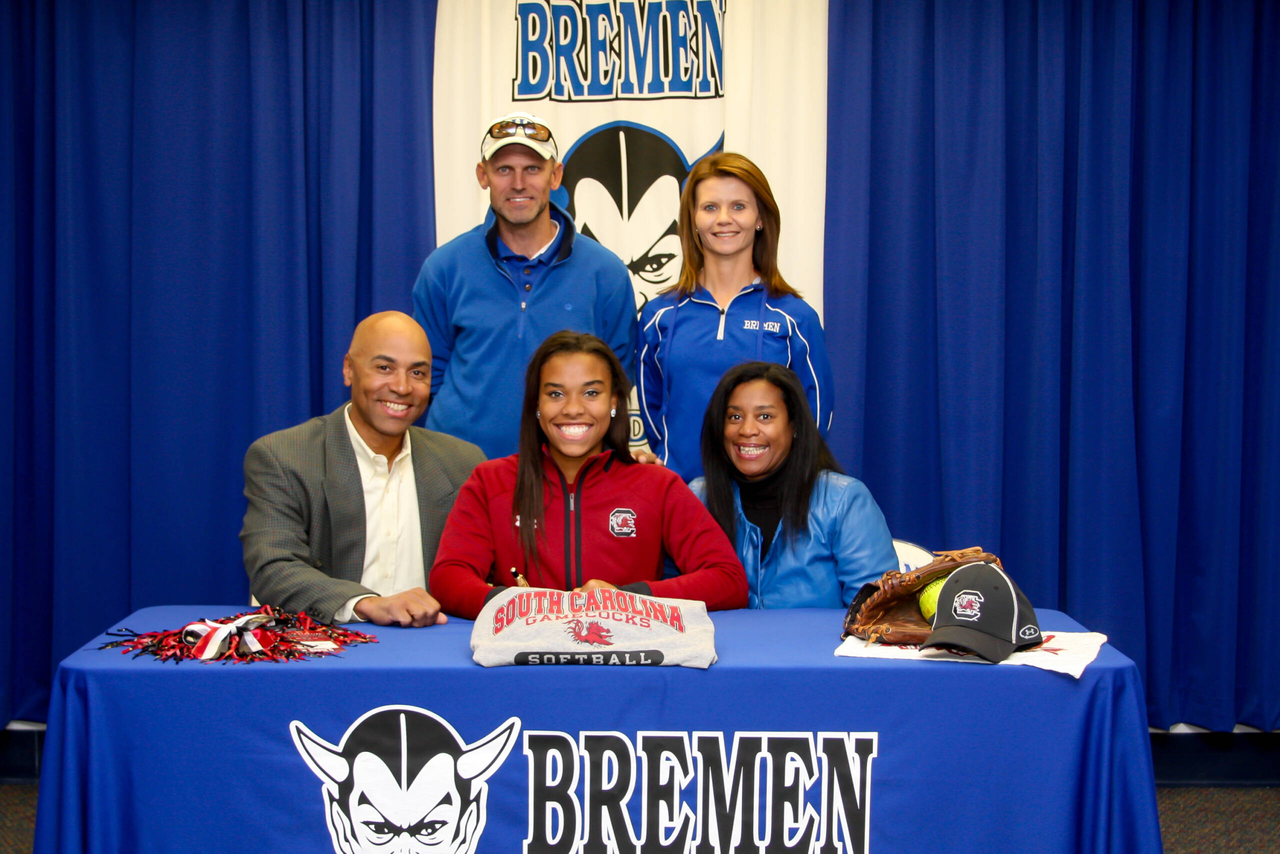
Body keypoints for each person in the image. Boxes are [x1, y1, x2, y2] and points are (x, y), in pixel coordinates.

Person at [429, 331, 747, 620]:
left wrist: (626, 599)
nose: (573, 408)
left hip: (628, 659)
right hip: (519, 657)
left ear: (613, 402)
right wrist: (524, 606)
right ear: (536, 404)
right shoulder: (490, 482)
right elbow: (448, 578)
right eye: (556, 394)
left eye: (591, 393)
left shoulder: (658, 485)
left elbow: (728, 579)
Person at [412, 111, 637, 460]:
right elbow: (426, 376)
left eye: (532, 168)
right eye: (504, 169)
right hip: (461, 471)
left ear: (555, 175)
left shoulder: (605, 272)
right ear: (483, 175)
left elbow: (617, 381)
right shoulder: (444, 267)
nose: (518, 183)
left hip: (567, 471)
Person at [241, 312, 484, 627]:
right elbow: (273, 569)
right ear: (348, 369)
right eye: (384, 368)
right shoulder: (284, 456)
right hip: (328, 645)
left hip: (433, 646)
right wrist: (367, 604)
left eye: (418, 373)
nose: (402, 387)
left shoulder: (462, 463)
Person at [638, 151, 834, 481]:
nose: (724, 219)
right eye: (710, 207)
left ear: (760, 218)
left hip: (768, 500)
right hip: (682, 496)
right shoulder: (659, 316)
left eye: (739, 206)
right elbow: (654, 418)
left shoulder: (794, 318)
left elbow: (815, 419)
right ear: (693, 219)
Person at [690, 362, 897, 609]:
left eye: (764, 416)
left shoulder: (844, 500)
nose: (747, 430)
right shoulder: (697, 498)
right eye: (735, 417)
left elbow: (877, 613)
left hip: (823, 638)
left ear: (795, 426)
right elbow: (665, 603)